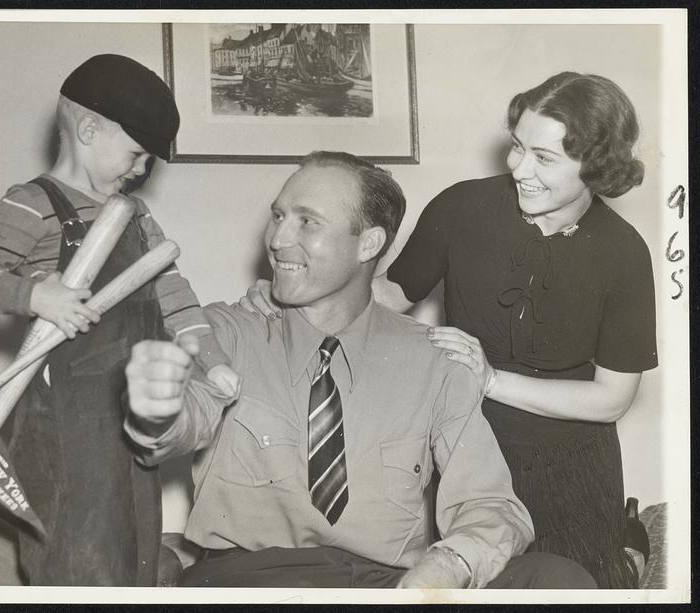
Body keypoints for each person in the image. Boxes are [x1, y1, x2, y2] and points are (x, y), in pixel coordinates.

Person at [242, 73, 656, 588]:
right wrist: (292, 300)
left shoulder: (624, 253)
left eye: (544, 159)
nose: (519, 169)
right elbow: (387, 297)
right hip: (464, 447)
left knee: (579, 584)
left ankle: (627, 549)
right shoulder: (462, 207)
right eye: (518, 147)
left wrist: (491, 380)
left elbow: (611, 399)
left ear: (596, 167)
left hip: (569, 465)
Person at [123, 151, 597, 589]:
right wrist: (159, 410)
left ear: (368, 243)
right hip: (252, 580)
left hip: (383, 585)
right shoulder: (224, 332)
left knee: (555, 579)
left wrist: (451, 564)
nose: (278, 239)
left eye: (307, 222)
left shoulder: (432, 362)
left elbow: (491, 503)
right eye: (278, 216)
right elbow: (189, 417)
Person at [0, 54, 241, 586]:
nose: (141, 170)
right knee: (73, 538)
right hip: (61, 416)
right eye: (136, 154)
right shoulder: (30, 203)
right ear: (87, 129)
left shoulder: (137, 215)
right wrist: (36, 296)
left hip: (131, 410)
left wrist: (212, 362)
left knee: (136, 535)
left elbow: (174, 296)